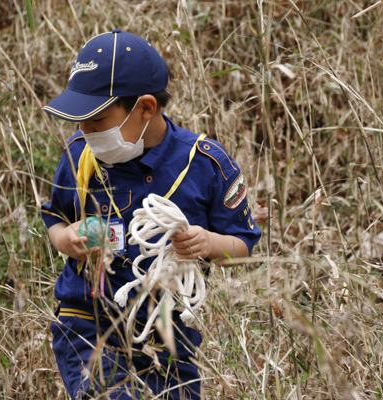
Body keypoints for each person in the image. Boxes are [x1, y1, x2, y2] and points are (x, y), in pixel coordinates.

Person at [41, 29, 261, 399]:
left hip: (168, 334)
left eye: (97, 121)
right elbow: (56, 221)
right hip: (87, 321)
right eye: (79, 121)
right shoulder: (81, 155)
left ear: (145, 108)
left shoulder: (204, 164)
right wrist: (68, 240)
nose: (84, 131)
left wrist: (207, 243)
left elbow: (243, 244)